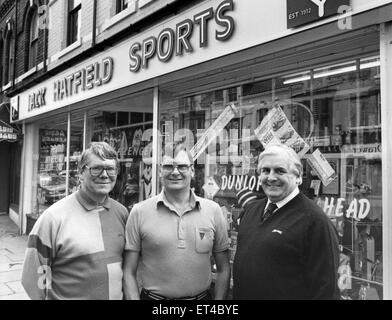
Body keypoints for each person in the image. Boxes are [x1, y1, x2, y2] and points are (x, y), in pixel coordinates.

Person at [21, 142, 129, 300]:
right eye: (96, 168)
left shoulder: (122, 213)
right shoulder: (54, 218)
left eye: (110, 169)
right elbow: (32, 279)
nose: (105, 175)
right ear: (80, 173)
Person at [123, 143, 230, 300]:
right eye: (168, 166)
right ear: (160, 171)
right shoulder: (139, 212)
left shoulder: (213, 211)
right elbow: (128, 271)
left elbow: (224, 268)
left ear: (192, 170)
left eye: (182, 166)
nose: (175, 172)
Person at [233, 143, 340, 300]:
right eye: (265, 171)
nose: (271, 177)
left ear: (297, 177)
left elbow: (326, 290)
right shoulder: (251, 210)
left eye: (280, 171)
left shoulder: (315, 221)